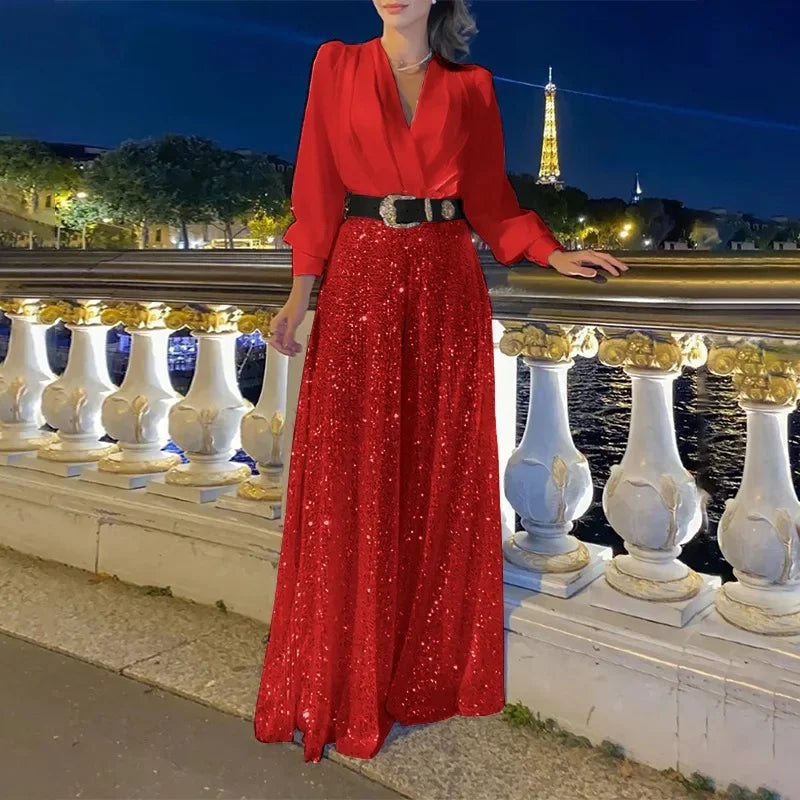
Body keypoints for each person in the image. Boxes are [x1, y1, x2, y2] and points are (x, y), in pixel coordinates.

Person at [254, 0, 629, 764]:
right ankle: (346, 673)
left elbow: (488, 200)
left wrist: (548, 251)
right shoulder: (335, 64)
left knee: (434, 480)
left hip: (444, 284)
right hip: (360, 280)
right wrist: (300, 293)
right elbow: (316, 186)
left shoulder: (472, 86)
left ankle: (420, 671)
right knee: (354, 477)